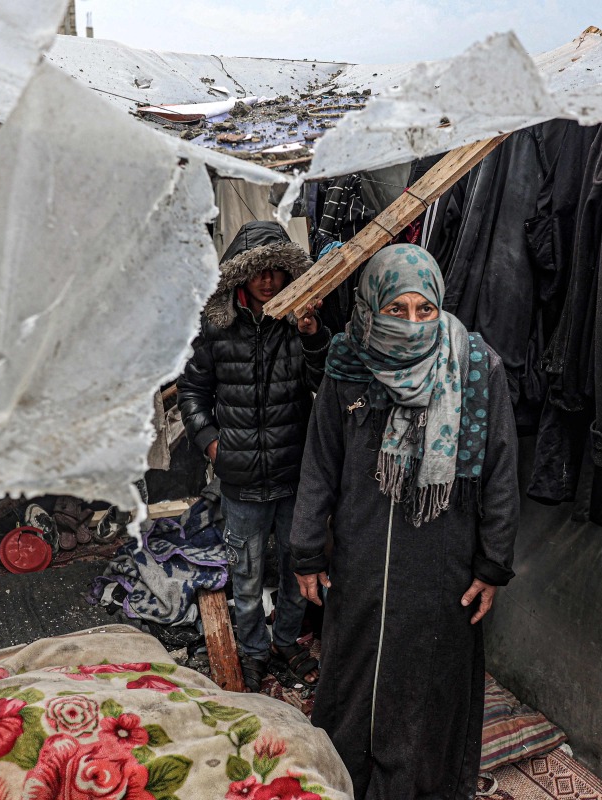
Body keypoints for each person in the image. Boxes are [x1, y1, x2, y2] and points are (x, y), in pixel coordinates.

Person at [290, 243, 519, 800]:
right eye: (397, 310)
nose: (413, 324)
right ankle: (344, 782)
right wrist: (304, 552)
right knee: (354, 678)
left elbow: (500, 470)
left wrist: (492, 564)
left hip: (442, 567)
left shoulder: (476, 369)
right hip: (362, 562)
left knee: (427, 688)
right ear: (371, 308)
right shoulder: (348, 364)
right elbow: (320, 464)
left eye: (424, 310)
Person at [178, 220, 328, 692]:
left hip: (292, 473)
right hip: (240, 479)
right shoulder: (216, 327)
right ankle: (254, 652)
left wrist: (311, 335)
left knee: (293, 566)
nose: (267, 280)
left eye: (276, 270)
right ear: (240, 276)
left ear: (288, 273)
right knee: (244, 575)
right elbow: (192, 390)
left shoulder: (298, 322)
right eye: (257, 271)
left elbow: (323, 381)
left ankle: (285, 642)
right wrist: (212, 443)